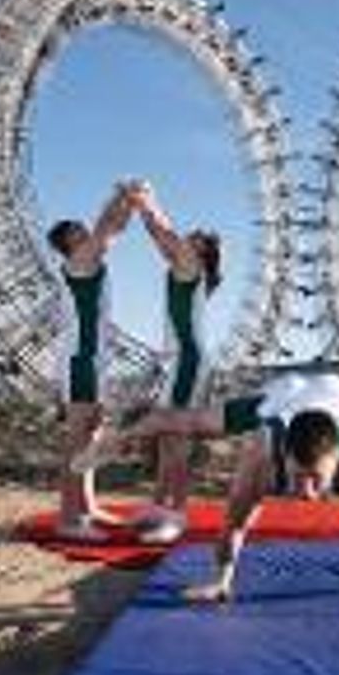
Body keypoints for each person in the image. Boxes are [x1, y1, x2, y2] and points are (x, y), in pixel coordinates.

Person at [70, 371, 339, 604]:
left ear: (337, 461)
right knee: (182, 421)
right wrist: (221, 580)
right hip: (280, 398)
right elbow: (235, 523)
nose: (306, 494)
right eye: (299, 478)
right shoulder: (263, 452)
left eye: (316, 480)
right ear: (284, 458)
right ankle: (109, 444)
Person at [126, 183, 223, 544]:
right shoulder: (186, 266)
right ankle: (159, 505)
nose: (189, 236)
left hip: (189, 362)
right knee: (168, 437)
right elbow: (165, 237)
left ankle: (176, 514)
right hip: (181, 361)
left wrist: (147, 202)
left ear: (201, 251)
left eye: (196, 237)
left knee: (178, 439)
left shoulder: (188, 264)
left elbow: (161, 234)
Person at [45, 180, 141, 542]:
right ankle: (70, 520)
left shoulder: (91, 260)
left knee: (91, 439)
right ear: (70, 245)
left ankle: (87, 506)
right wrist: (119, 196)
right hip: (80, 362)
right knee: (76, 442)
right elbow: (104, 229)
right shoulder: (79, 264)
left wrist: (131, 204)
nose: (86, 231)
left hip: (94, 362)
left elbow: (112, 230)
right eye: (78, 231)